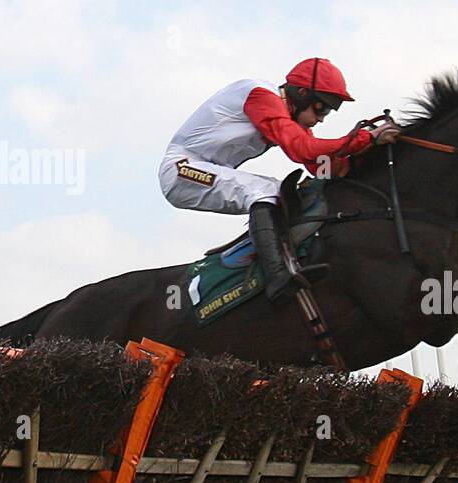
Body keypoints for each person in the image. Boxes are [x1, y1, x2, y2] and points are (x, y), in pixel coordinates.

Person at [160, 57, 401, 302]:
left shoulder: (287, 114)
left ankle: (276, 262)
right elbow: (302, 149)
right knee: (267, 190)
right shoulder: (261, 97)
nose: (322, 118)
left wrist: (371, 156)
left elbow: (323, 167)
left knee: (280, 191)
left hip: (205, 169)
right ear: (301, 93)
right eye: (322, 108)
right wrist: (366, 138)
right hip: (182, 169)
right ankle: (276, 277)